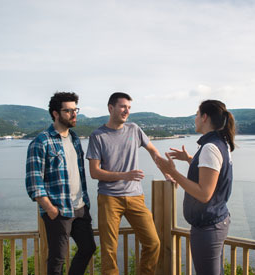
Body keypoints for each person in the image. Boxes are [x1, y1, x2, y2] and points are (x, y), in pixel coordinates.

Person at [86, 92, 166, 275]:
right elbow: (94, 172)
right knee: (109, 251)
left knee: (153, 243)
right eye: (123, 106)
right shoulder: (98, 136)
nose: (126, 111)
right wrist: (125, 175)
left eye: (129, 107)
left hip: (135, 196)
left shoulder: (134, 129)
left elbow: (153, 151)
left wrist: (167, 173)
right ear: (110, 108)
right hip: (109, 199)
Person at [155, 99, 235, 275]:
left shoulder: (210, 148)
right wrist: (190, 160)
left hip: (208, 227)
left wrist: (172, 172)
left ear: (205, 117)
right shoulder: (221, 143)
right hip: (216, 222)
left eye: (197, 114)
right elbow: (214, 173)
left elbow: (204, 194)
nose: (195, 118)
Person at [25, 92, 96, 275]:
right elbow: (34, 182)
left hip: (80, 207)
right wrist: (50, 209)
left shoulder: (74, 139)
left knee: (88, 248)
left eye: (75, 110)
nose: (74, 115)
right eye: (68, 111)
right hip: (58, 210)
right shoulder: (41, 142)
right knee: (58, 258)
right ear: (55, 113)